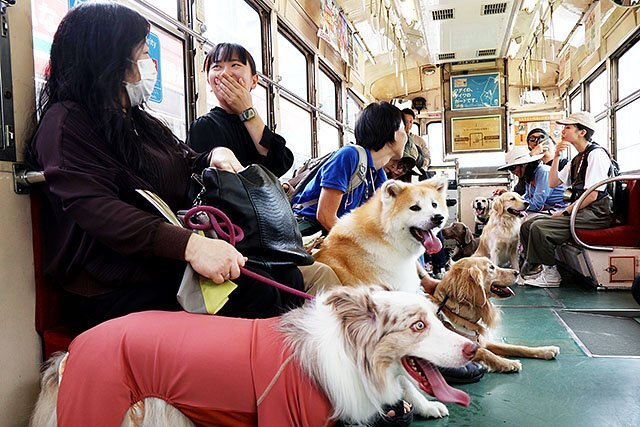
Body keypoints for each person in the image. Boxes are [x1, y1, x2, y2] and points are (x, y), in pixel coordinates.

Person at [24, 2, 295, 331]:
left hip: (152, 265)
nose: (148, 64)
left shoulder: (136, 121)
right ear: (110, 61)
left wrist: (210, 156)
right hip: (107, 285)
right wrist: (191, 246)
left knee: (280, 278)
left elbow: (179, 162)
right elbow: (98, 208)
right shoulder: (67, 123)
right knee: (258, 291)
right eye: (140, 54)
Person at [520, 111, 614, 287]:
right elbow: (553, 182)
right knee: (527, 225)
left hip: (596, 213)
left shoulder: (596, 155)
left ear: (582, 132)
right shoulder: (577, 158)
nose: (563, 131)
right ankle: (536, 269)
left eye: (568, 127)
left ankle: (551, 274)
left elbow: (592, 195)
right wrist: (556, 156)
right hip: (581, 210)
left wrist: (564, 212)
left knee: (540, 227)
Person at [292, 101, 407, 235]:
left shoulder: (378, 175)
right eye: (403, 130)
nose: (406, 137)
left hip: (331, 233)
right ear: (390, 131)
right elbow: (325, 216)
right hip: (308, 230)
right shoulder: (349, 156)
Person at [187, 43, 293, 178]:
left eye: (235, 65)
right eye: (217, 67)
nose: (225, 73)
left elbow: (279, 164)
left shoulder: (256, 126)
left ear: (254, 81)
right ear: (209, 81)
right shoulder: (204, 125)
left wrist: (247, 111)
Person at [496, 146, 567, 213]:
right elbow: (527, 198)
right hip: (546, 209)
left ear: (524, 164)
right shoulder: (529, 175)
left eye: (512, 168)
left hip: (559, 209)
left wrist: (516, 205)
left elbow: (537, 204)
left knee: (526, 224)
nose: (512, 172)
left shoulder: (543, 172)